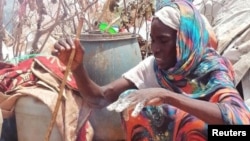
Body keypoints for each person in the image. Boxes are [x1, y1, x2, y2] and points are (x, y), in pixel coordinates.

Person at [52, 0, 250, 140]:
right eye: (153, 40)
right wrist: (77, 67)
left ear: (184, 40)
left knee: (192, 124)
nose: (155, 49)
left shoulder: (213, 68)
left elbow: (240, 122)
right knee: (132, 101)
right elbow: (100, 97)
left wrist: (167, 96)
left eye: (163, 40)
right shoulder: (154, 68)